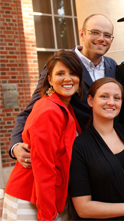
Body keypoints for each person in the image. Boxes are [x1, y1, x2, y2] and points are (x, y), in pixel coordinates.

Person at [9, 14, 117, 169]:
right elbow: (33, 109)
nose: (101, 39)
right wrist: (16, 144)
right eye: (95, 32)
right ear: (82, 34)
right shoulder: (62, 63)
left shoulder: (112, 66)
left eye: (107, 35)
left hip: (107, 152)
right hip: (74, 156)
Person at [2, 51, 84, 221]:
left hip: (47, 197)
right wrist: (47, 215)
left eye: (73, 73)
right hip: (31, 198)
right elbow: (44, 166)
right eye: (60, 73)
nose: (68, 79)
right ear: (49, 79)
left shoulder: (64, 107)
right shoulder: (49, 110)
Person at [68, 77, 124, 220]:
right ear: (90, 100)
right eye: (104, 96)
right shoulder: (81, 146)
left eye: (117, 98)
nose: (111, 102)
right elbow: (83, 208)